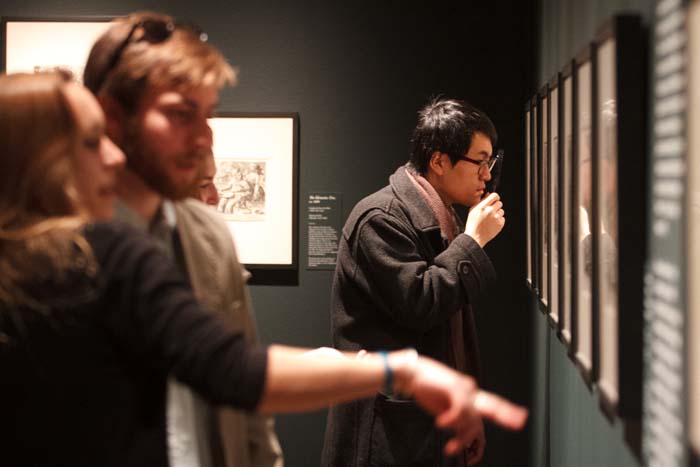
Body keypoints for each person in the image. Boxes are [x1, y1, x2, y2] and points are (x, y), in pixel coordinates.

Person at [0, 72, 527, 467]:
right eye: (93, 141)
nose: (113, 158)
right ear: (35, 158)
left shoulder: (102, 254)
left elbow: (223, 368)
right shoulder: (109, 256)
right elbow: (233, 369)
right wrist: (400, 368)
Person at [82, 12, 282, 467]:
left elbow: (245, 395)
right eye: (180, 114)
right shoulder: (55, 243)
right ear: (113, 116)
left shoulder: (209, 235)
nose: (204, 138)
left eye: (208, 114)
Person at [322, 98, 506, 467]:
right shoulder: (380, 218)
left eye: (491, 162)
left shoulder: (439, 217)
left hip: (420, 423)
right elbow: (421, 303)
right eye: (480, 161)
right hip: (387, 431)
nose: (487, 175)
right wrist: (472, 243)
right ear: (439, 161)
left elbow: (453, 337)